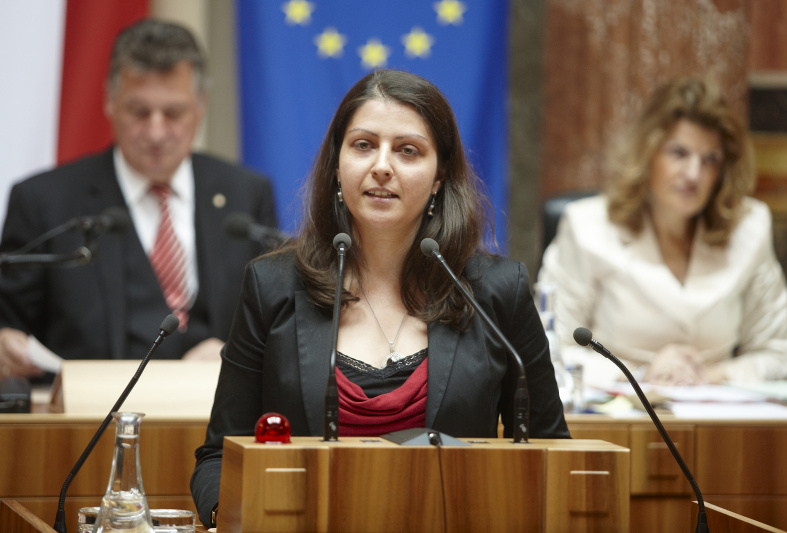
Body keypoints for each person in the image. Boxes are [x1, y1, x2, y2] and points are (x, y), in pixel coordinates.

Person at [190, 69, 570, 527]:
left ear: (439, 176)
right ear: (337, 165)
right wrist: (226, 517)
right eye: (364, 145)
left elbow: (553, 453)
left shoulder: (497, 291)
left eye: (408, 150)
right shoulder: (272, 286)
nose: (382, 166)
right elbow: (218, 457)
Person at [0, 19, 277, 379]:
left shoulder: (246, 195)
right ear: (110, 101)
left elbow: (275, 322)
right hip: (90, 409)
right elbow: (9, 324)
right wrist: (5, 343)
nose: (156, 132)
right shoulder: (43, 202)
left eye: (173, 113)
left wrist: (236, 352)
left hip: (214, 407)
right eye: (139, 112)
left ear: (200, 105)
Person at [538, 76, 787, 388]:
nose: (694, 174)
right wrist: (640, 376)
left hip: (715, 405)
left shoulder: (749, 227)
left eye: (710, 159)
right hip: (622, 405)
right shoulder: (586, 227)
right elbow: (550, 351)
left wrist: (708, 377)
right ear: (647, 153)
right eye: (679, 153)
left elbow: (778, 354)